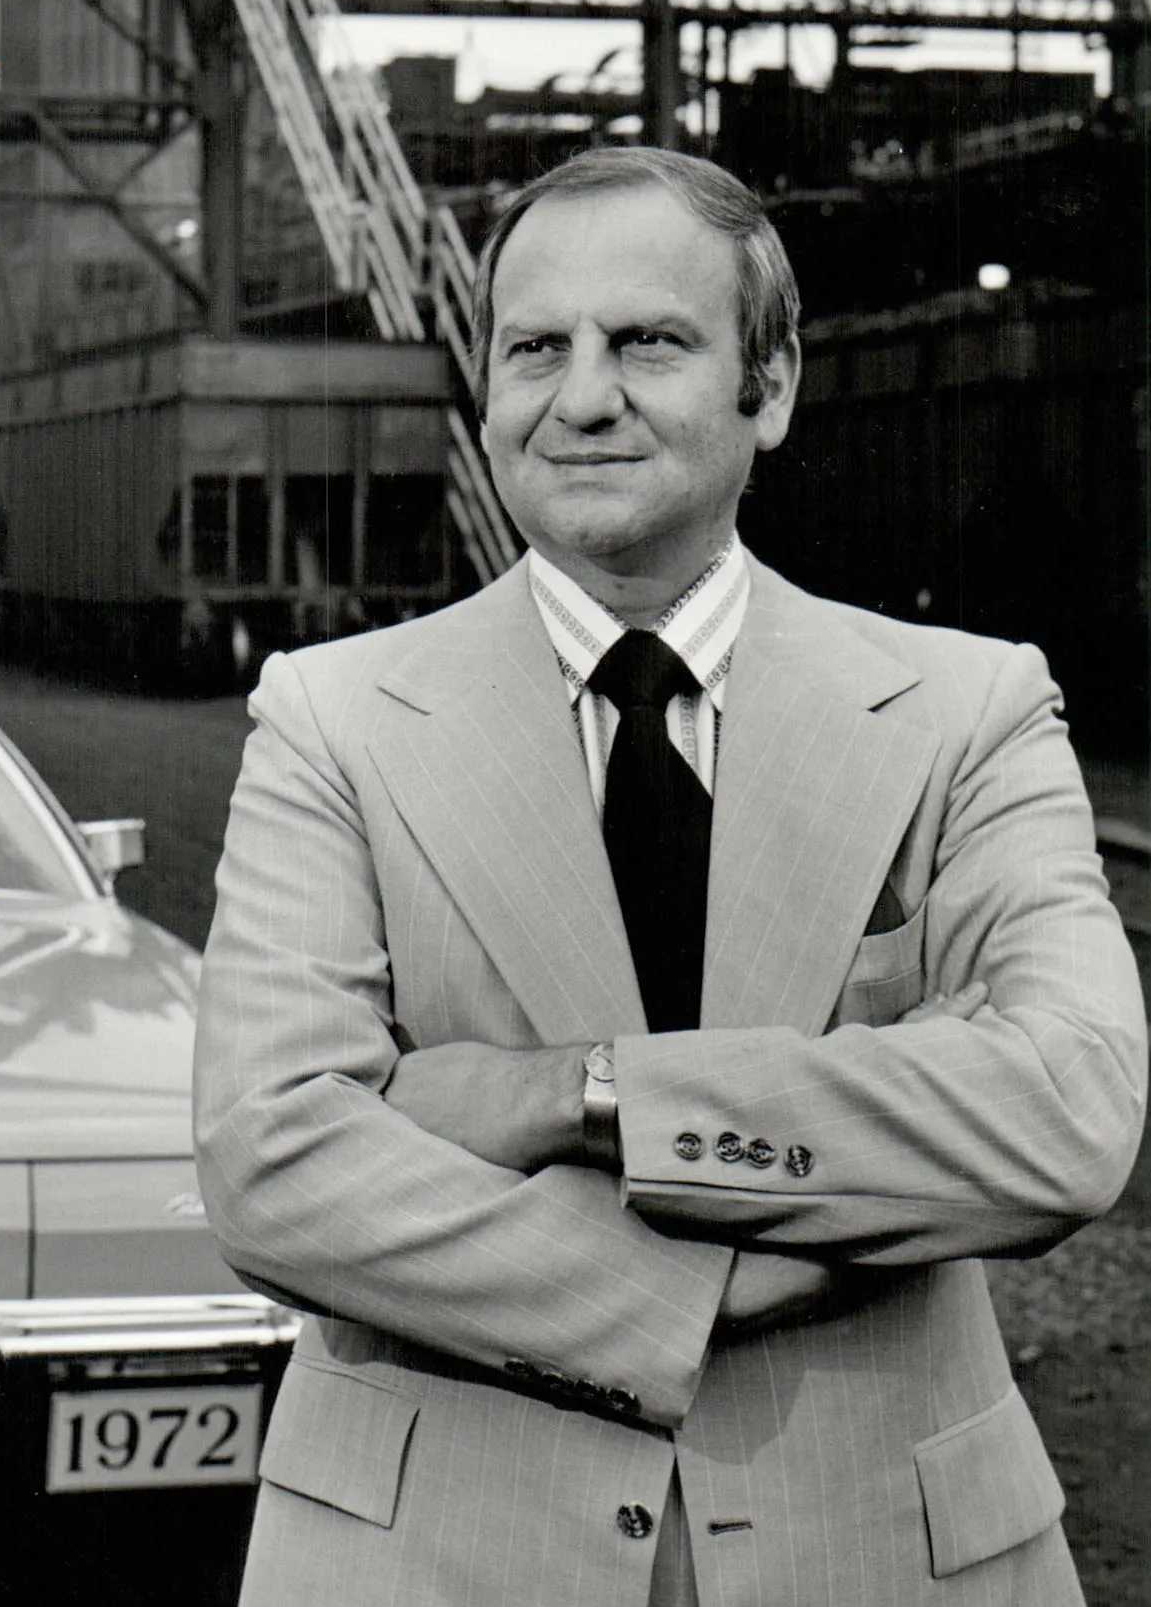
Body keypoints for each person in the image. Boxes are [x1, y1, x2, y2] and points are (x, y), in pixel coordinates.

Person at [194, 145, 1145, 1607]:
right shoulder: (330, 718)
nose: (582, 398)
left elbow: (1065, 1109)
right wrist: (719, 1277)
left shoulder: (970, 710)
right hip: (441, 1563)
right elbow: (275, 1165)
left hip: (886, 1558)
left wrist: (575, 1094)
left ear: (772, 386)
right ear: (487, 390)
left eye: (646, 341)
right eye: (536, 349)